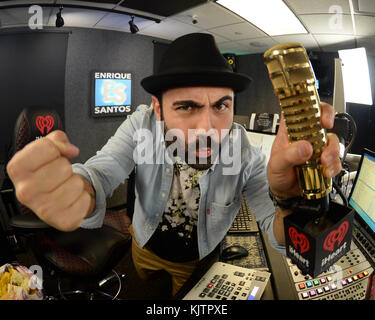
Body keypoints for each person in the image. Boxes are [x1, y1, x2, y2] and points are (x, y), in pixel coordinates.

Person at [6, 33, 341, 296]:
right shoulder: (141, 125)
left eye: (221, 105)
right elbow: (102, 170)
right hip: (143, 246)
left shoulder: (243, 151)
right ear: (157, 106)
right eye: (186, 107)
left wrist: (291, 201)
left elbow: (276, 231)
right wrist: (76, 189)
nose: (208, 128)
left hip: (198, 259)